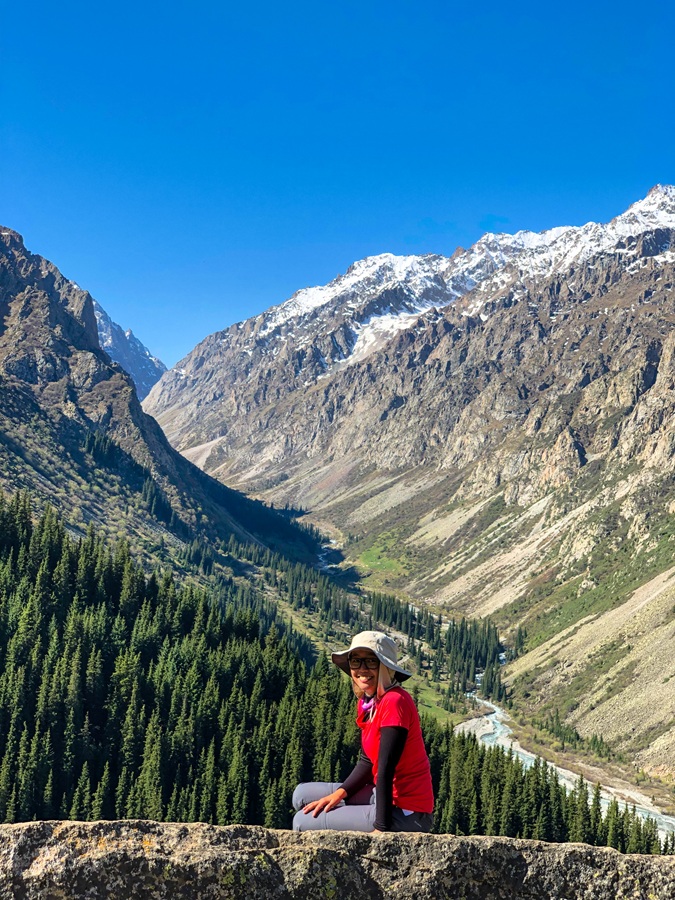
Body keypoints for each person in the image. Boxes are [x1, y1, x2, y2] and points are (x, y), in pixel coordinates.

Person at [292, 630, 434, 833]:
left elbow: (386, 768)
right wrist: (340, 794)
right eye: (356, 661)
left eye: (371, 661)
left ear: (386, 667)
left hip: (406, 812)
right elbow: (368, 761)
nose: (362, 669)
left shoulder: (395, 702)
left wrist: (380, 829)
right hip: (382, 794)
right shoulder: (369, 702)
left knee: (301, 821)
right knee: (301, 794)